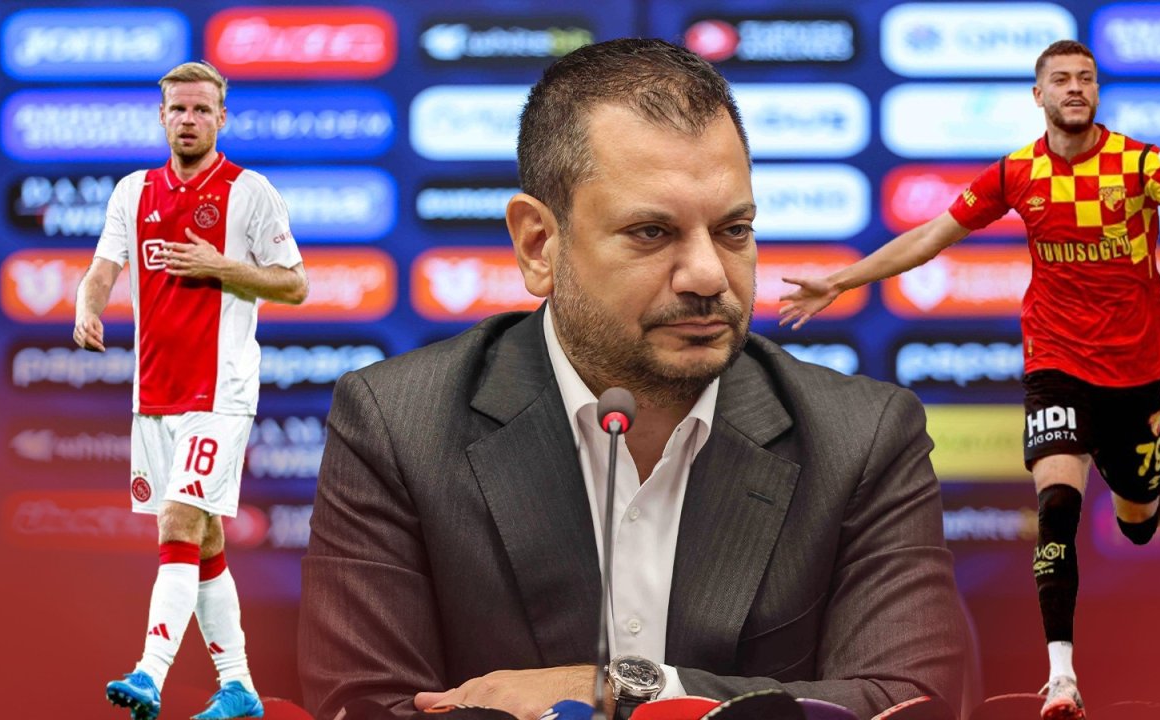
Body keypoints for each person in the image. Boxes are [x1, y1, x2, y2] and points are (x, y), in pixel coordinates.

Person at [299, 38, 967, 720]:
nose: (708, 275)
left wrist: (632, 688)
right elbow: (366, 707)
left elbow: (910, 701)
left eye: (734, 230)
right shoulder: (397, 424)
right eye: (652, 232)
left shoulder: (862, 436)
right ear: (538, 244)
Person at [779, 39, 1160, 720]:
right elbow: (930, 236)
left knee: (1136, 523)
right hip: (1055, 363)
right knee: (1057, 509)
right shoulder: (1017, 173)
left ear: (1096, 92)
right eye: (1062, 79)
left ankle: (1151, 481)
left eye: (1086, 78)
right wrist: (840, 280)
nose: (1075, 88)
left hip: (1134, 372)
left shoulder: (1142, 164)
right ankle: (1062, 678)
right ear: (1038, 96)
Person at [74, 61, 308, 720]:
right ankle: (239, 687)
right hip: (154, 395)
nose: (189, 120)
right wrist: (86, 307)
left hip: (220, 393)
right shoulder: (134, 192)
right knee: (202, 541)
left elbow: (295, 283)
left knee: (179, 520)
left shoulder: (249, 192)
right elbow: (102, 269)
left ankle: (149, 672)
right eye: (178, 109)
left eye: (202, 110)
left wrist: (221, 266)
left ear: (221, 118)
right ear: (162, 116)